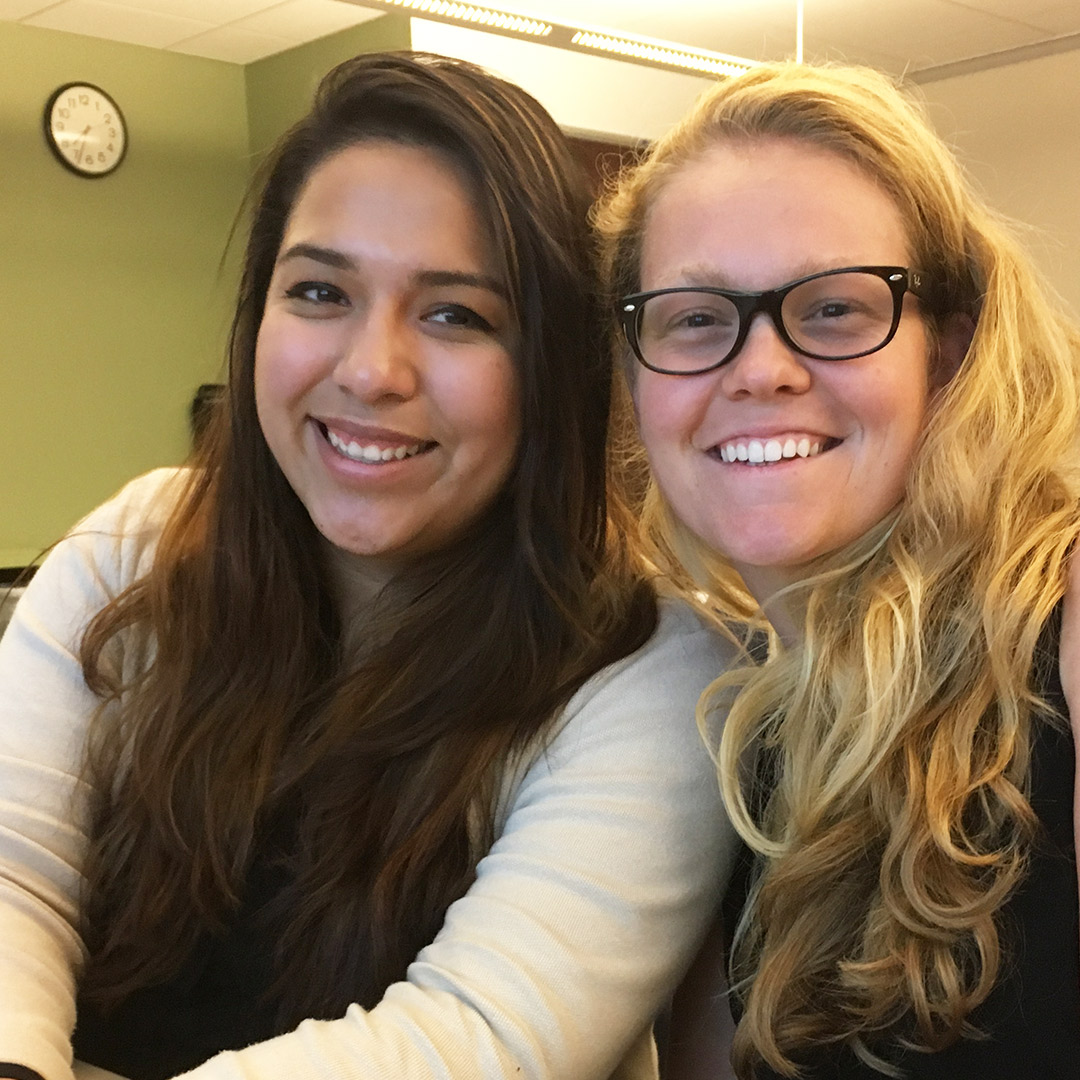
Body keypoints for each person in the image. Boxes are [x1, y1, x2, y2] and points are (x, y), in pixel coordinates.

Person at [0, 52, 738, 1080]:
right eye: (318, 291)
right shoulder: (136, 546)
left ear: (551, 368)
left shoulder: (651, 670)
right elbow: (15, 871)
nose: (369, 370)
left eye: (456, 315)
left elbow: (481, 1040)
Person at [596, 62, 1080, 1079]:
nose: (760, 367)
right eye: (694, 317)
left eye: (834, 309)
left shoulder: (1065, 625)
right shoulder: (745, 722)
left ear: (944, 353)